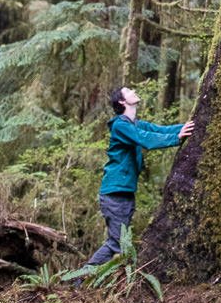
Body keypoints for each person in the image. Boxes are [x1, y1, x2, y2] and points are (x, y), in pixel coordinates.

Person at [78, 86, 194, 270]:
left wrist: (190, 127)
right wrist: (176, 139)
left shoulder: (134, 124)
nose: (134, 91)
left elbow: (159, 130)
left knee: (121, 242)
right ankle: (82, 277)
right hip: (114, 193)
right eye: (129, 91)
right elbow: (145, 139)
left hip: (124, 193)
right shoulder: (120, 126)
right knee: (116, 243)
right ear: (122, 102)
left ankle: (96, 277)